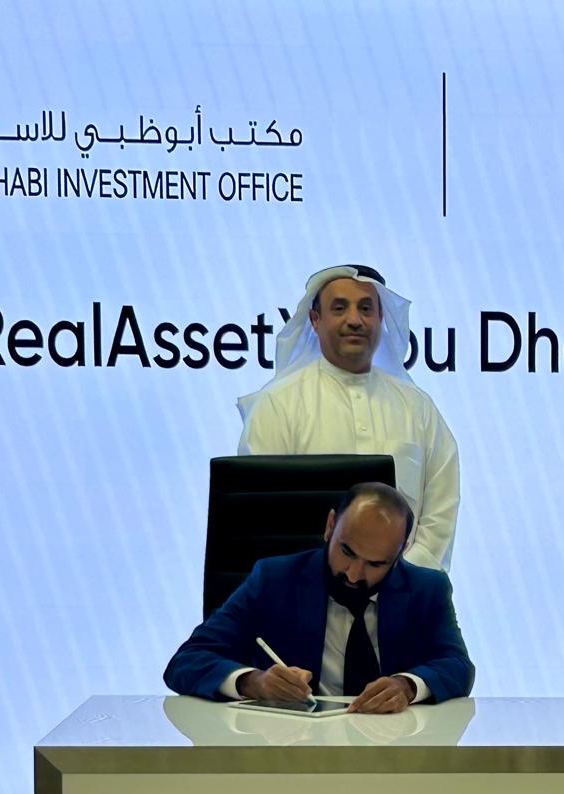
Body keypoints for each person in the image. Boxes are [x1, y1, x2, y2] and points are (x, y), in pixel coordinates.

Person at [165, 483, 473, 712]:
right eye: (347, 551)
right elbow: (187, 661)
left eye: (376, 564)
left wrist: (407, 686)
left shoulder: (427, 589)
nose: (354, 574)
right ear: (330, 527)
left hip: (392, 751)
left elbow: (457, 665)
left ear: (400, 552)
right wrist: (253, 682)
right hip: (293, 753)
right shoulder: (274, 579)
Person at [238, 264, 460, 570]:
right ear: (315, 320)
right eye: (340, 308)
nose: (354, 320)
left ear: (381, 319)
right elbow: (264, 517)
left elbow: (440, 511)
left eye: (366, 309)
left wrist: (403, 579)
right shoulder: (277, 405)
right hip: (305, 590)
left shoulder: (418, 408)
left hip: (406, 590)